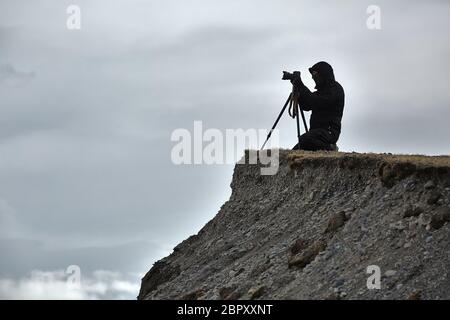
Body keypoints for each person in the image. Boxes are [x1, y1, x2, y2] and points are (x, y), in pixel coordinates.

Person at [288, 61, 345, 151]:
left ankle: (330, 148)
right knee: (296, 150)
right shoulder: (321, 91)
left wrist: (300, 85)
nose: (313, 78)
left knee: (305, 139)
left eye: (315, 75)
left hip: (328, 132)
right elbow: (307, 105)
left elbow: (316, 102)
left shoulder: (335, 90)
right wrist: (299, 93)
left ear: (323, 75)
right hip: (315, 134)